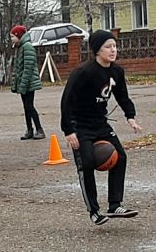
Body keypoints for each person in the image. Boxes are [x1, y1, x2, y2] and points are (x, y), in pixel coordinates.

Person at [61, 30, 144, 225]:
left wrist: (130, 117)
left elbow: (122, 96)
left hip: (100, 123)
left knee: (120, 157)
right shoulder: (83, 72)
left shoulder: (117, 72)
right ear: (97, 50)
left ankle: (115, 204)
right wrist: (68, 130)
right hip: (80, 125)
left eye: (114, 46)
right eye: (108, 47)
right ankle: (94, 211)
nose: (113, 50)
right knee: (87, 163)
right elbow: (67, 101)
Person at [8, 24, 45, 139]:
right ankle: (29, 130)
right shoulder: (19, 47)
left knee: (30, 106)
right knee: (26, 107)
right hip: (23, 83)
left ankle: (39, 129)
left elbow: (27, 68)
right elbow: (18, 67)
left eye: (12, 37)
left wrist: (23, 85)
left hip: (29, 83)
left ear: (18, 36)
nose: (11, 39)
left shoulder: (27, 47)